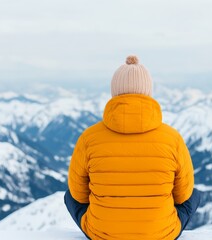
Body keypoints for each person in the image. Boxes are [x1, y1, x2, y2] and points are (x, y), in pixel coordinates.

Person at [64, 55, 200, 239]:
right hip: (161, 235)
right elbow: (183, 195)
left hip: (102, 234)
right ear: (148, 92)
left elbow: (78, 195)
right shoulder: (172, 138)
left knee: (69, 196)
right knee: (194, 195)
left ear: (114, 92)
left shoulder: (89, 138)